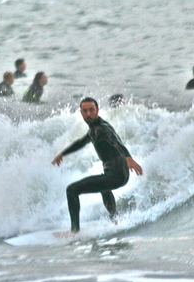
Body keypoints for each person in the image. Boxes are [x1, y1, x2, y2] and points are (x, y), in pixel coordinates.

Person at [52, 97, 143, 233]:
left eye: (91, 110)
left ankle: (74, 231)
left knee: (72, 190)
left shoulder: (102, 128)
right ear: (81, 112)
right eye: (85, 111)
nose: (88, 114)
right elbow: (81, 142)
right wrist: (62, 154)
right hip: (117, 174)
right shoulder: (94, 129)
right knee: (103, 186)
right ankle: (114, 219)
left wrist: (129, 158)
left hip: (117, 175)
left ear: (97, 110)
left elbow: (116, 142)